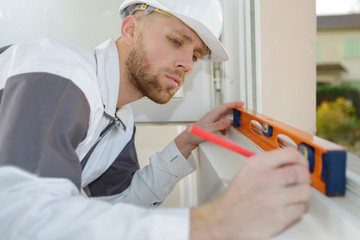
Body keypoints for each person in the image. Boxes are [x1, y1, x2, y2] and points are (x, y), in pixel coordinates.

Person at [0, 0, 311, 239]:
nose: (187, 64)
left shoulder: (119, 119)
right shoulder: (59, 75)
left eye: (196, 55)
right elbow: (18, 217)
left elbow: (121, 205)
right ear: (131, 31)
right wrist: (211, 224)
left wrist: (187, 142)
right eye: (177, 41)